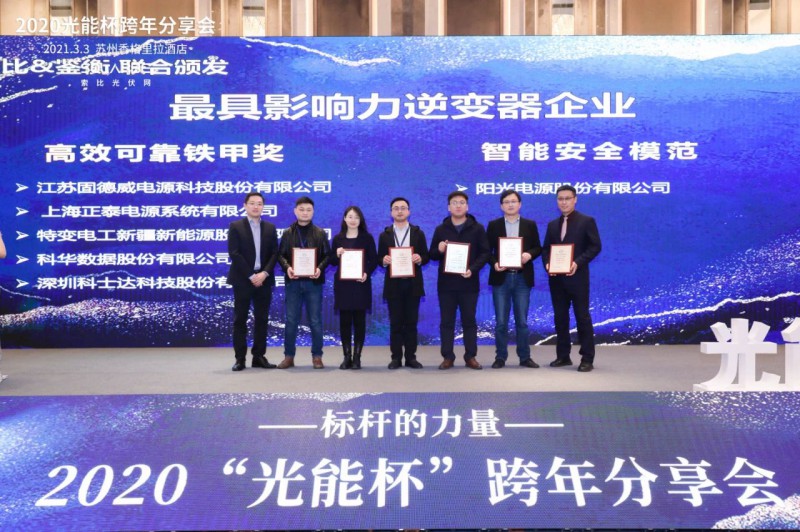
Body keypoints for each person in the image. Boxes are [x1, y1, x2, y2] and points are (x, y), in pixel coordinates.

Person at [541, 185, 602, 372]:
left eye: (567, 198)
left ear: (575, 199)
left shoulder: (586, 221)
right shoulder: (553, 225)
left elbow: (595, 246)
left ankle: (587, 358)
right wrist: (547, 264)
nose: (564, 202)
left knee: (582, 317)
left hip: (578, 278)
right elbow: (546, 249)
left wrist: (577, 262)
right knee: (560, 318)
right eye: (560, 199)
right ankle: (563, 356)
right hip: (556, 280)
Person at [429, 191, 490, 370]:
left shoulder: (477, 228)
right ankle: (448, 356)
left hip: (469, 284)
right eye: (454, 202)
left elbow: (485, 253)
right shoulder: (441, 229)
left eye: (462, 202)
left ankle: (470, 356)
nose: (458, 205)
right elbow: (432, 254)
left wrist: (473, 269)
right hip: (446, 285)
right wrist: (439, 249)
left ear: (467, 206)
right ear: (449, 207)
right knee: (446, 322)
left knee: (469, 321)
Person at [487, 190, 542, 369]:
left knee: (522, 322)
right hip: (501, 278)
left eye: (513, 201)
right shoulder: (494, 225)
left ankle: (525, 357)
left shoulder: (529, 224)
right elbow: (487, 251)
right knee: (501, 322)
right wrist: (494, 263)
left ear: (520, 204)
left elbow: (538, 248)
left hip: (522, 279)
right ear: (501, 205)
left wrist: (529, 254)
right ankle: (500, 357)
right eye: (506, 202)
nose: (510, 204)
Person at [226, 192, 279, 371]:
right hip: (243, 279)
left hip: (264, 280)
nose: (256, 206)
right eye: (252, 203)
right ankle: (240, 359)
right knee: (240, 319)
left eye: (259, 203)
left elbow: (275, 253)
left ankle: (259, 356)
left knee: (262, 319)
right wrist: (251, 275)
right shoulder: (236, 226)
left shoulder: (270, 228)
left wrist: (264, 273)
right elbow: (234, 253)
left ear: (263, 206)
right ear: (245, 205)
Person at [277, 196, 331, 369]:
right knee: (291, 320)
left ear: (313, 212)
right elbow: (280, 255)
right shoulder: (287, 233)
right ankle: (289, 356)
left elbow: (328, 256)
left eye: (308, 210)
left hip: (313, 283)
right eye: (301, 209)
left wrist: (320, 268)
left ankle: (317, 356)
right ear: (295, 211)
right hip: (293, 282)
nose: (305, 213)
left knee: (315, 320)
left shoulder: (320, 233)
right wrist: (287, 268)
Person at [377, 197, 429, 369]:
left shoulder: (418, 233)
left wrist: (420, 258)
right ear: (391, 212)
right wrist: (384, 260)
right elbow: (379, 258)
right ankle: (396, 358)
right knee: (396, 323)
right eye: (396, 208)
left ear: (409, 211)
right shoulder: (384, 235)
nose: (399, 211)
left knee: (411, 323)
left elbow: (426, 255)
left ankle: (411, 357)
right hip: (393, 285)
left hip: (413, 284)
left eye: (403, 208)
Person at [330, 206, 377, 370]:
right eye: (350, 216)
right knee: (344, 322)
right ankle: (346, 356)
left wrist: (366, 273)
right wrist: (336, 254)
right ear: (344, 218)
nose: (353, 220)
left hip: (360, 284)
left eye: (356, 217)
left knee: (359, 322)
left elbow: (374, 260)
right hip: (343, 285)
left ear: (360, 220)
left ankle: (357, 357)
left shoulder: (367, 238)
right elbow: (332, 261)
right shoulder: (338, 239)